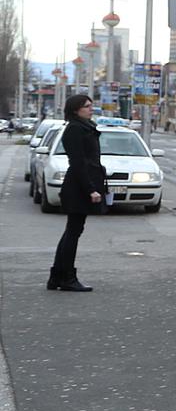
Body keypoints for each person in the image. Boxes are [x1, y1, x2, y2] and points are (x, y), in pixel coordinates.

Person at [47, 94, 105, 292]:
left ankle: (57, 277)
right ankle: (67, 278)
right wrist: (91, 189)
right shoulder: (74, 129)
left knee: (72, 231)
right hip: (78, 186)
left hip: (82, 183)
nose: (91, 109)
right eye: (87, 106)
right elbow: (78, 163)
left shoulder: (85, 127)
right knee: (73, 231)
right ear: (75, 110)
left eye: (91, 106)